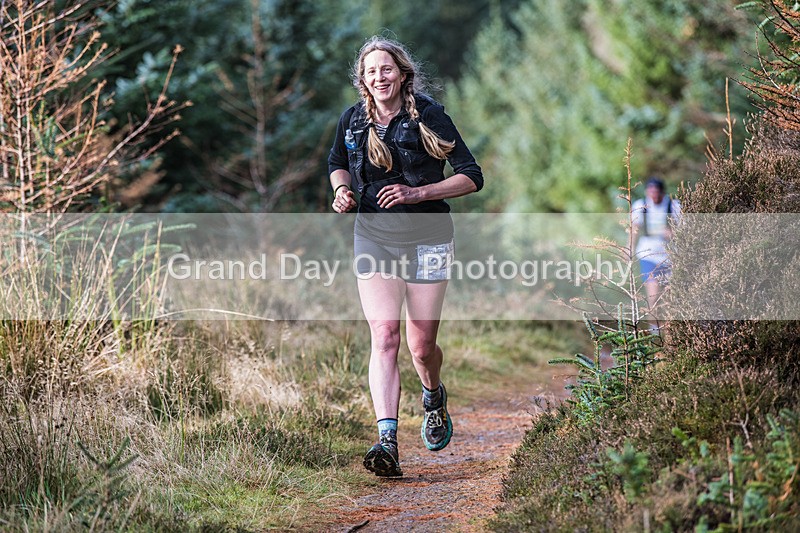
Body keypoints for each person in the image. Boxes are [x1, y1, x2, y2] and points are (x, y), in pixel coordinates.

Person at [327, 36, 483, 477]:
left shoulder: (429, 115)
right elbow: (337, 163)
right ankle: (387, 442)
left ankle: (432, 396)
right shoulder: (353, 120)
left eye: (387, 69)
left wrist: (418, 193)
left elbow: (472, 176)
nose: (379, 77)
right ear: (362, 79)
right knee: (384, 335)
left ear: (402, 74)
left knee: (421, 346)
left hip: (429, 238)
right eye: (371, 71)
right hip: (373, 238)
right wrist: (342, 191)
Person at [631, 177, 681, 324]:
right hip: (648, 255)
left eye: (657, 192)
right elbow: (634, 229)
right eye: (651, 192)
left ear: (663, 192)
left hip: (670, 256)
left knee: (670, 299)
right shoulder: (640, 205)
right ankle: (654, 332)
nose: (654, 196)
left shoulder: (674, 205)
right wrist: (629, 249)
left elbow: (686, 230)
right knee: (653, 297)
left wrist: (673, 233)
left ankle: (670, 332)